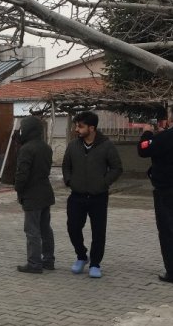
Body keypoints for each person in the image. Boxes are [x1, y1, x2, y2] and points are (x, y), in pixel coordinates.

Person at [137, 103, 173, 284]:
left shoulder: (165, 138)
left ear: (172, 118)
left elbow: (143, 150)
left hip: (168, 191)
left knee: (169, 231)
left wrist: (147, 132)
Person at [62, 111, 122, 278]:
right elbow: (66, 166)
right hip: (77, 195)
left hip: (98, 196)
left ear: (92, 128)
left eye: (80, 126)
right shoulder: (73, 146)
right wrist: (69, 181)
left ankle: (95, 263)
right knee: (73, 228)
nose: (77, 129)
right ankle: (82, 256)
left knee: (98, 232)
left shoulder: (106, 145)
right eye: (76, 125)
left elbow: (117, 168)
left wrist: (103, 183)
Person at [14, 116, 55, 274]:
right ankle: (48, 260)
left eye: (23, 128)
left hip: (32, 194)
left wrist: (18, 189)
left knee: (32, 230)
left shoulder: (26, 149)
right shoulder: (46, 147)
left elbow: (22, 174)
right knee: (45, 228)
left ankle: (34, 263)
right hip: (46, 192)